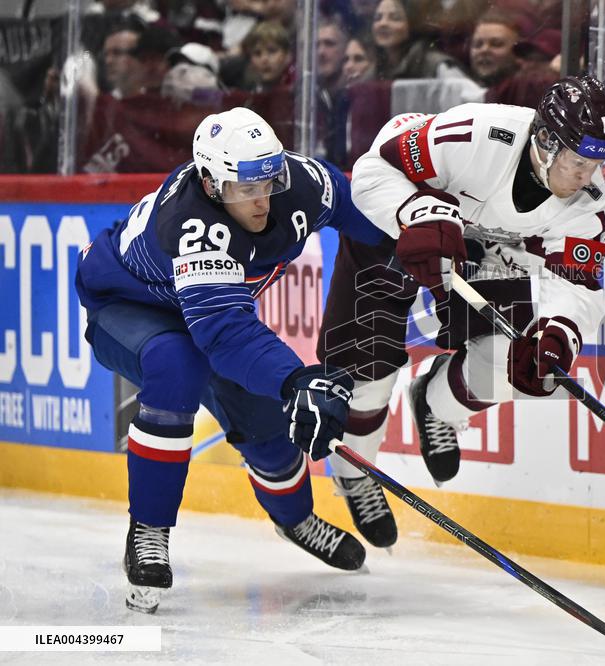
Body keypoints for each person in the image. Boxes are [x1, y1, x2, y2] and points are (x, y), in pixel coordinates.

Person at [75, 106, 386, 614]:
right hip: (127, 305)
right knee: (178, 364)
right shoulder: (193, 223)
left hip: (207, 313)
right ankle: (149, 529)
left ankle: (295, 519)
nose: (262, 199)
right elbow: (222, 333)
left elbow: (371, 221)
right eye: (245, 188)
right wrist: (296, 379)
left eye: (269, 180)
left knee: (268, 427)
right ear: (210, 183)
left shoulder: (303, 183)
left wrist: (430, 247)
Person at [317, 74, 605, 549]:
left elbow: (576, 285)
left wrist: (558, 333)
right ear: (545, 142)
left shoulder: (592, 205)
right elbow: (372, 172)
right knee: (367, 375)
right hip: (393, 221)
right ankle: (355, 473)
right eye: (580, 163)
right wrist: (415, 213)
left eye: (601, 165)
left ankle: (434, 405)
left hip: (483, 242)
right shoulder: (476, 134)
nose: (590, 180)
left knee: (508, 365)